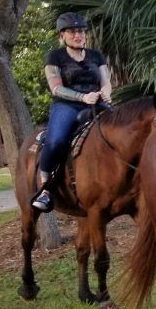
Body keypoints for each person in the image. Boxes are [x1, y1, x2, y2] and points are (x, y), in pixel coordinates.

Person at [31, 12, 113, 212]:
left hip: (95, 104)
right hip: (66, 105)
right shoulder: (55, 57)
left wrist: (106, 93)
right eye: (72, 32)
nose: (78, 35)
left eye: (81, 32)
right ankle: (45, 188)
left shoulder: (96, 55)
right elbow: (56, 88)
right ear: (62, 36)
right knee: (56, 140)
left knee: (120, 131)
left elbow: (106, 81)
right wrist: (82, 97)